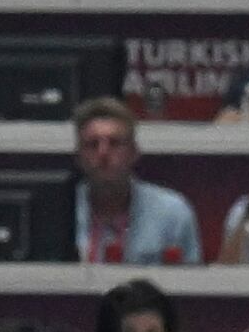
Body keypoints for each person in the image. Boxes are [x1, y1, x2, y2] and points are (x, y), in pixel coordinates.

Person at [67, 97, 203, 269]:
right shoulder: (59, 213)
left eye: (115, 143)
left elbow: (191, 288)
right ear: (78, 157)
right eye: (93, 144)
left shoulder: (172, 213)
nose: (103, 153)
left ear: (134, 152)